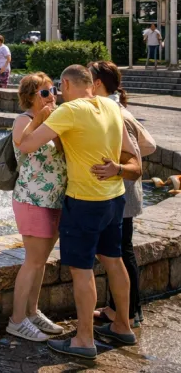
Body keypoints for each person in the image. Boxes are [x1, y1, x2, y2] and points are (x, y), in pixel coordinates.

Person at [18, 65, 142, 360]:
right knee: (114, 261)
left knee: (81, 270)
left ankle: (84, 339)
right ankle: (123, 325)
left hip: (85, 201)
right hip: (114, 199)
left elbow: (25, 145)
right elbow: (132, 155)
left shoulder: (69, 111)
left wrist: (38, 117)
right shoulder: (113, 106)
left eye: (60, 89)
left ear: (66, 84)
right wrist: (117, 168)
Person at [89, 61, 156, 329]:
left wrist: (118, 162)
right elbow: (148, 144)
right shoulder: (115, 108)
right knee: (119, 251)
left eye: (87, 76)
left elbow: (146, 147)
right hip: (122, 191)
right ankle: (117, 309)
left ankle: (128, 313)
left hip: (122, 191)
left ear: (97, 84)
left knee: (121, 253)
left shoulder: (116, 112)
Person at [7, 73, 68, 342]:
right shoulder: (24, 120)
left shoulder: (56, 120)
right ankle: (16, 320)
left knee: (41, 261)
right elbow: (22, 147)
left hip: (54, 199)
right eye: (44, 92)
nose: (51, 95)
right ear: (31, 96)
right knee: (32, 262)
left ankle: (32, 312)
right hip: (32, 199)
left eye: (52, 90)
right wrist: (42, 119)